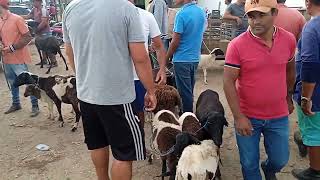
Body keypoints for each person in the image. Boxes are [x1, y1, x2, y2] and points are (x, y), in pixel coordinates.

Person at [62, 0, 157, 179]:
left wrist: (85, 78)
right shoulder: (126, 8)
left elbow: (69, 52)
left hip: (86, 95)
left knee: (97, 143)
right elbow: (141, 57)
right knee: (123, 154)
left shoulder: (71, 8)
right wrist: (150, 90)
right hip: (117, 97)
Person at [223, 0, 296, 179]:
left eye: (261, 15)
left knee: (280, 160)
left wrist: (288, 98)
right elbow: (228, 82)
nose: (255, 21)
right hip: (248, 116)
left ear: (274, 13)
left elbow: (290, 71)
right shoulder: (237, 45)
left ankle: (269, 169)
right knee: (248, 164)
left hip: (278, 115)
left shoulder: (288, 40)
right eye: (251, 16)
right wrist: (239, 117)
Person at [273, 0, 307, 158]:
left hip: (268, 61)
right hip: (291, 61)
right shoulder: (298, 16)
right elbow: (303, 43)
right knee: (289, 87)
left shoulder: (268, 14)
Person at [291, 0, 320, 179]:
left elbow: (309, 63)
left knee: (314, 131)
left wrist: (305, 97)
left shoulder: (313, 27)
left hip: (315, 93)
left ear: (308, 3)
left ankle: (315, 171)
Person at [128, 0, 167, 127]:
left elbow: (159, 46)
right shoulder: (108, 17)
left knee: (139, 115)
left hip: (139, 77)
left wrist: (162, 69)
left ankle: (140, 144)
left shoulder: (146, 16)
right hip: (117, 78)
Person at [0, 0, 39, 117]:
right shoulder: (1, 20)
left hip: (19, 58)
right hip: (7, 58)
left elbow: (27, 37)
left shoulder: (17, 19)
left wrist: (12, 47)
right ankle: (16, 103)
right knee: (12, 82)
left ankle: (35, 105)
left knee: (28, 82)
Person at [165, 0, 205, 113]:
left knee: (184, 94)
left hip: (182, 59)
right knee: (189, 91)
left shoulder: (181, 14)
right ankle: (188, 115)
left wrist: (166, 58)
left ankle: (187, 118)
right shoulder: (201, 11)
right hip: (194, 58)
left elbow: (175, 42)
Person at [23, 0, 57, 67]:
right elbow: (29, 16)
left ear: (39, 2)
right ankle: (44, 60)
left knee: (49, 47)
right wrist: (17, 17)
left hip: (45, 32)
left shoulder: (43, 10)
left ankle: (54, 62)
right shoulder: (34, 9)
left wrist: (36, 30)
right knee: (42, 47)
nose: (33, 3)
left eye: (34, 1)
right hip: (39, 33)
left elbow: (44, 22)